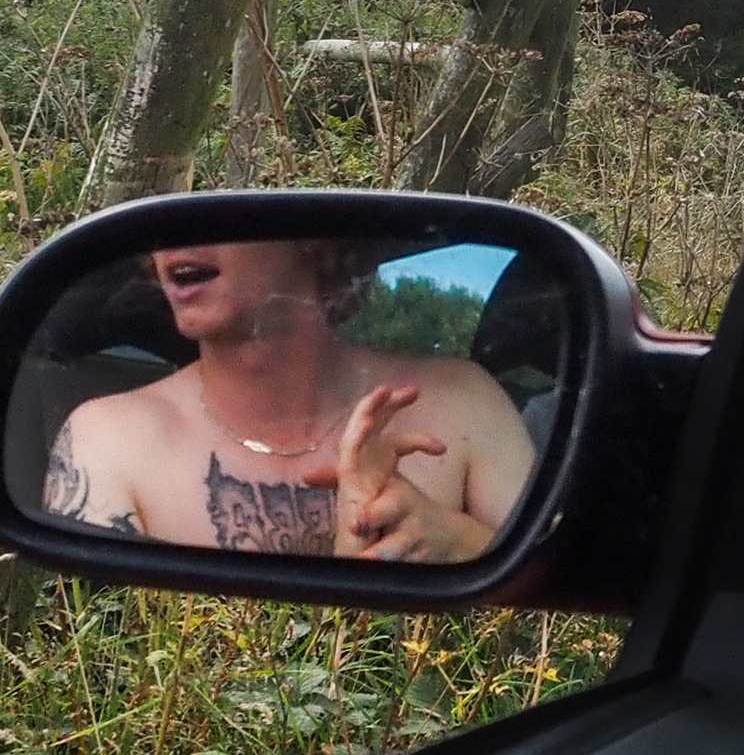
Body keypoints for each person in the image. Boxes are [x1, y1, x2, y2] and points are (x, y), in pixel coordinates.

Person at [38, 239, 533, 564]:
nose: (178, 241)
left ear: (313, 240)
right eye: (161, 225)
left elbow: (562, 606)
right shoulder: (108, 439)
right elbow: (86, 665)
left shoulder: (463, 401)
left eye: (221, 217)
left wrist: (461, 543)